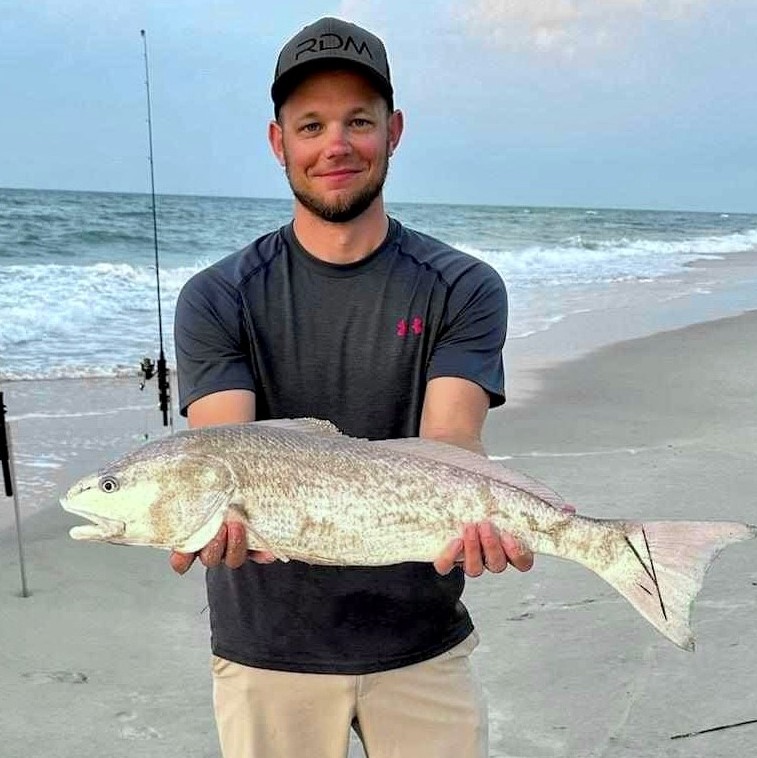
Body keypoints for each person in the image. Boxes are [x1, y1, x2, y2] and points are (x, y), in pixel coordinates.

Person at [171, 16, 534, 758]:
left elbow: (451, 443)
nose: (335, 145)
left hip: (421, 640)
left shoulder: (462, 286)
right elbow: (225, 451)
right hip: (266, 649)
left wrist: (486, 515)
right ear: (279, 143)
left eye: (357, 121)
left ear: (393, 131)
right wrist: (203, 517)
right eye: (310, 124)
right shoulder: (217, 297)